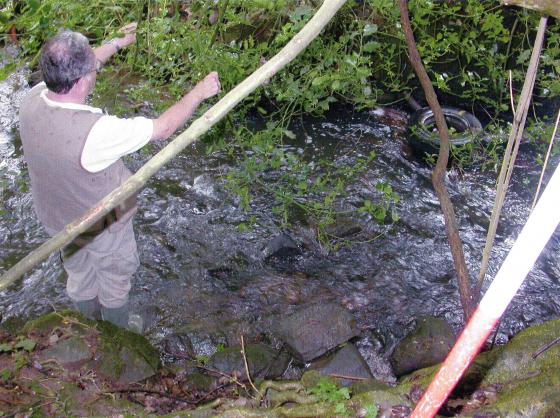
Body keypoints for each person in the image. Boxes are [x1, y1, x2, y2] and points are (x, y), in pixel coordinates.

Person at [19, 23, 220, 330]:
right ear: (84, 80)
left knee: (79, 273)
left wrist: (117, 43)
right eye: (91, 69)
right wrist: (199, 92)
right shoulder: (97, 133)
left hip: (58, 221)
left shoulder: (32, 99)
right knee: (114, 280)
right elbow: (163, 128)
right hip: (101, 226)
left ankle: (87, 328)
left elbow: (81, 65)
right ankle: (115, 336)